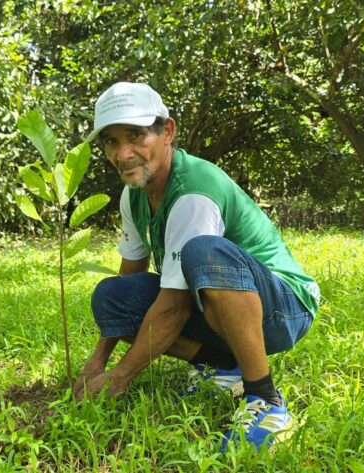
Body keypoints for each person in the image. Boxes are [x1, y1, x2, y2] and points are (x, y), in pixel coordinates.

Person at [72, 82, 320, 451]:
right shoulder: (134, 194)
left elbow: (175, 306)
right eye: (110, 141)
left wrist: (120, 375)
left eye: (136, 135)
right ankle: (223, 367)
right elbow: (131, 278)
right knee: (113, 297)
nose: (123, 153)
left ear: (167, 131)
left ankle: (265, 401)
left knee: (203, 252)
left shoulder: (193, 193)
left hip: (284, 308)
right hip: (220, 305)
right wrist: (99, 360)